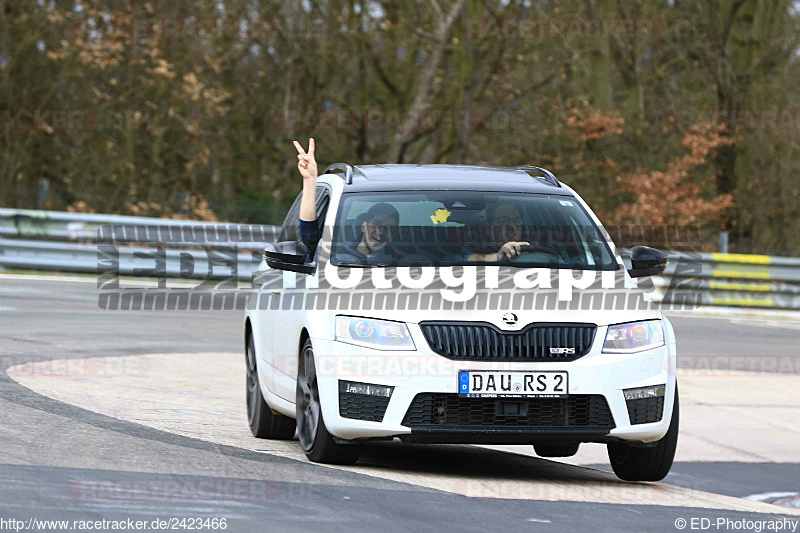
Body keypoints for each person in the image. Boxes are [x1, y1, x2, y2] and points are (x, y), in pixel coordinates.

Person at [293, 138, 399, 264]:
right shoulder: (335, 254)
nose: (381, 231)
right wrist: (310, 181)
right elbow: (309, 236)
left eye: (388, 227)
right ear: (364, 226)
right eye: (377, 223)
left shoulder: (404, 262)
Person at [456, 203, 531, 262]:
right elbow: (464, 258)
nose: (512, 226)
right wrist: (499, 256)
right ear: (488, 228)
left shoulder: (532, 247)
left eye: (517, 221)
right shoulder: (477, 249)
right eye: (503, 221)